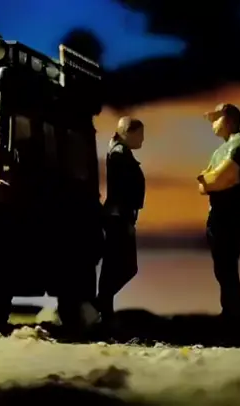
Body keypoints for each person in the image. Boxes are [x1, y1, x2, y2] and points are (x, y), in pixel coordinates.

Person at [197, 103, 240, 324]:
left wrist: (207, 179)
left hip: (232, 214)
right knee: (222, 267)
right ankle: (232, 311)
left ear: (229, 119)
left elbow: (215, 179)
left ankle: (238, 315)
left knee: (226, 266)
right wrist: (207, 180)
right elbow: (203, 185)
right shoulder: (220, 151)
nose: (213, 123)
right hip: (218, 214)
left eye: (216, 118)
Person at [97, 117, 146, 323]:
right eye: (140, 134)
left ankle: (104, 310)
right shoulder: (119, 153)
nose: (142, 139)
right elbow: (121, 190)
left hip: (120, 216)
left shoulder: (120, 152)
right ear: (128, 133)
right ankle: (100, 305)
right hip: (119, 217)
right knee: (123, 267)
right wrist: (126, 220)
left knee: (116, 267)